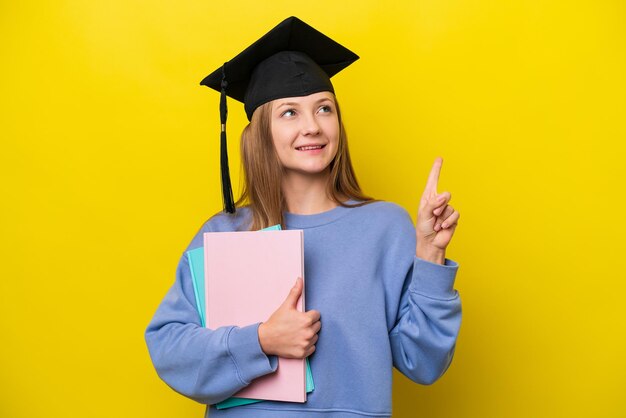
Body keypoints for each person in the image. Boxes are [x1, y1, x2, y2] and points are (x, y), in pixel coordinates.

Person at [145, 16, 462, 418]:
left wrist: (430, 255)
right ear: (260, 132)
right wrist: (260, 341)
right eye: (290, 113)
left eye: (324, 109)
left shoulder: (385, 228)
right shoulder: (225, 233)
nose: (312, 126)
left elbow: (424, 364)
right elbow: (170, 349)